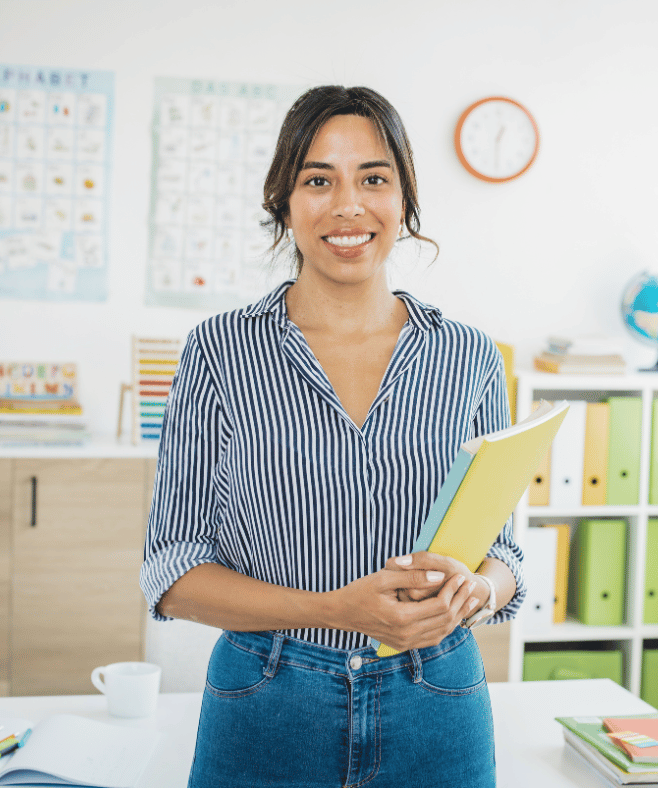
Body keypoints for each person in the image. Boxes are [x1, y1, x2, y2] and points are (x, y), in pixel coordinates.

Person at [140, 85, 526, 788]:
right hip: (267, 699)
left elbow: (504, 553)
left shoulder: (469, 356)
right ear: (283, 202)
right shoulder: (219, 352)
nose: (348, 204)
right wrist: (332, 610)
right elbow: (171, 570)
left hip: (438, 699)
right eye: (319, 180)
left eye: (373, 178)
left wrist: (478, 591)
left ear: (403, 199)